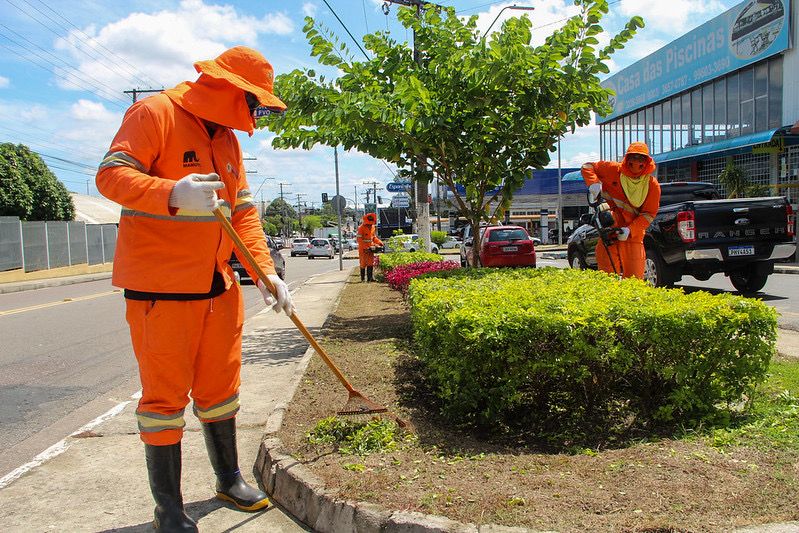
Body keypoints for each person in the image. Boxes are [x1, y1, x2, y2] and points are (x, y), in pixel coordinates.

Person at [96, 46, 294, 532]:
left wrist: (266, 273)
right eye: (254, 103)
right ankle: (168, 508)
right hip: (161, 292)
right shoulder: (154, 113)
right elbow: (110, 176)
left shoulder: (226, 140)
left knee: (220, 390)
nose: (256, 114)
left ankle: (228, 478)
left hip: (218, 287)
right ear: (232, 91)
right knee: (164, 401)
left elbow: (243, 214)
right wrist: (170, 194)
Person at [581, 142, 661, 279]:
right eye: (633, 157)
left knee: (634, 280)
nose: (636, 162)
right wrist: (593, 183)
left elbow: (649, 214)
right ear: (627, 157)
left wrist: (630, 230)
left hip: (633, 236)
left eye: (640, 158)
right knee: (607, 278)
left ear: (647, 161)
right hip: (609, 232)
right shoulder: (613, 170)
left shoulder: (651, 185)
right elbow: (587, 167)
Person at [356, 213, 383, 281]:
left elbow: (373, 238)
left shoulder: (373, 227)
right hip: (363, 249)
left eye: (371, 223)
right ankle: (362, 279)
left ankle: (370, 278)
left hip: (371, 248)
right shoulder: (361, 228)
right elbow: (359, 240)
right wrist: (365, 248)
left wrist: (379, 242)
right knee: (363, 263)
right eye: (369, 223)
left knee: (370, 263)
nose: (370, 224)